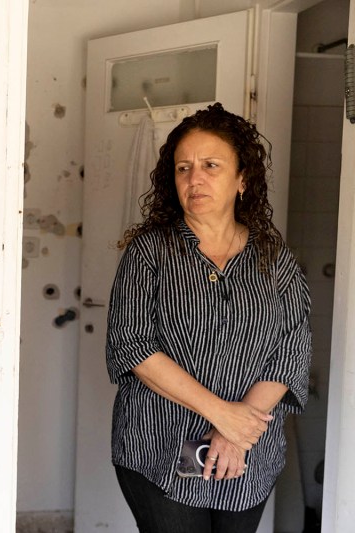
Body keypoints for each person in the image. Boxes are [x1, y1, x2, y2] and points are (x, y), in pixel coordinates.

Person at [105, 103, 312, 532]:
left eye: (210, 165)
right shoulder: (150, 253)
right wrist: (223, 415)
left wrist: (237, 432)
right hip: (158, 446)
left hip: (248, 457)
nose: (194, 178)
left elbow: (292, 350)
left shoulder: (275, 260)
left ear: (242, 180)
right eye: (183, 168)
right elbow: (133, 346)